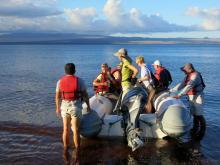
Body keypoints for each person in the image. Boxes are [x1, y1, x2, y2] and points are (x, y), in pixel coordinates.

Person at [55, 63, 91, 152]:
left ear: (65, 71)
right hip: (75, 107)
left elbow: (57, 97)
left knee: (65, 129)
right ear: (74, 70)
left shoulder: (60, 81)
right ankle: (77, 150)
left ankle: (65, 149)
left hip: (64, 107)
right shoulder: (80, 81)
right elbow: (85, 95)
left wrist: (57, 108)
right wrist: (88, 106)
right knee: (75, 130)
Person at [170, 63, 206, 140]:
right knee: (194, 114)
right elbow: (181, 85)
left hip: (198, 97)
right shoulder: (187, 76)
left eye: (184, 70)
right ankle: (195, 129)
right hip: (191, 97)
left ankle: (202, 131)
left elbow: (188, 86)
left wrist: (179, 95)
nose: (183, 71)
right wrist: (171, 90)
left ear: (189, 70)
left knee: (199, 115)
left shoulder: (195, 76)